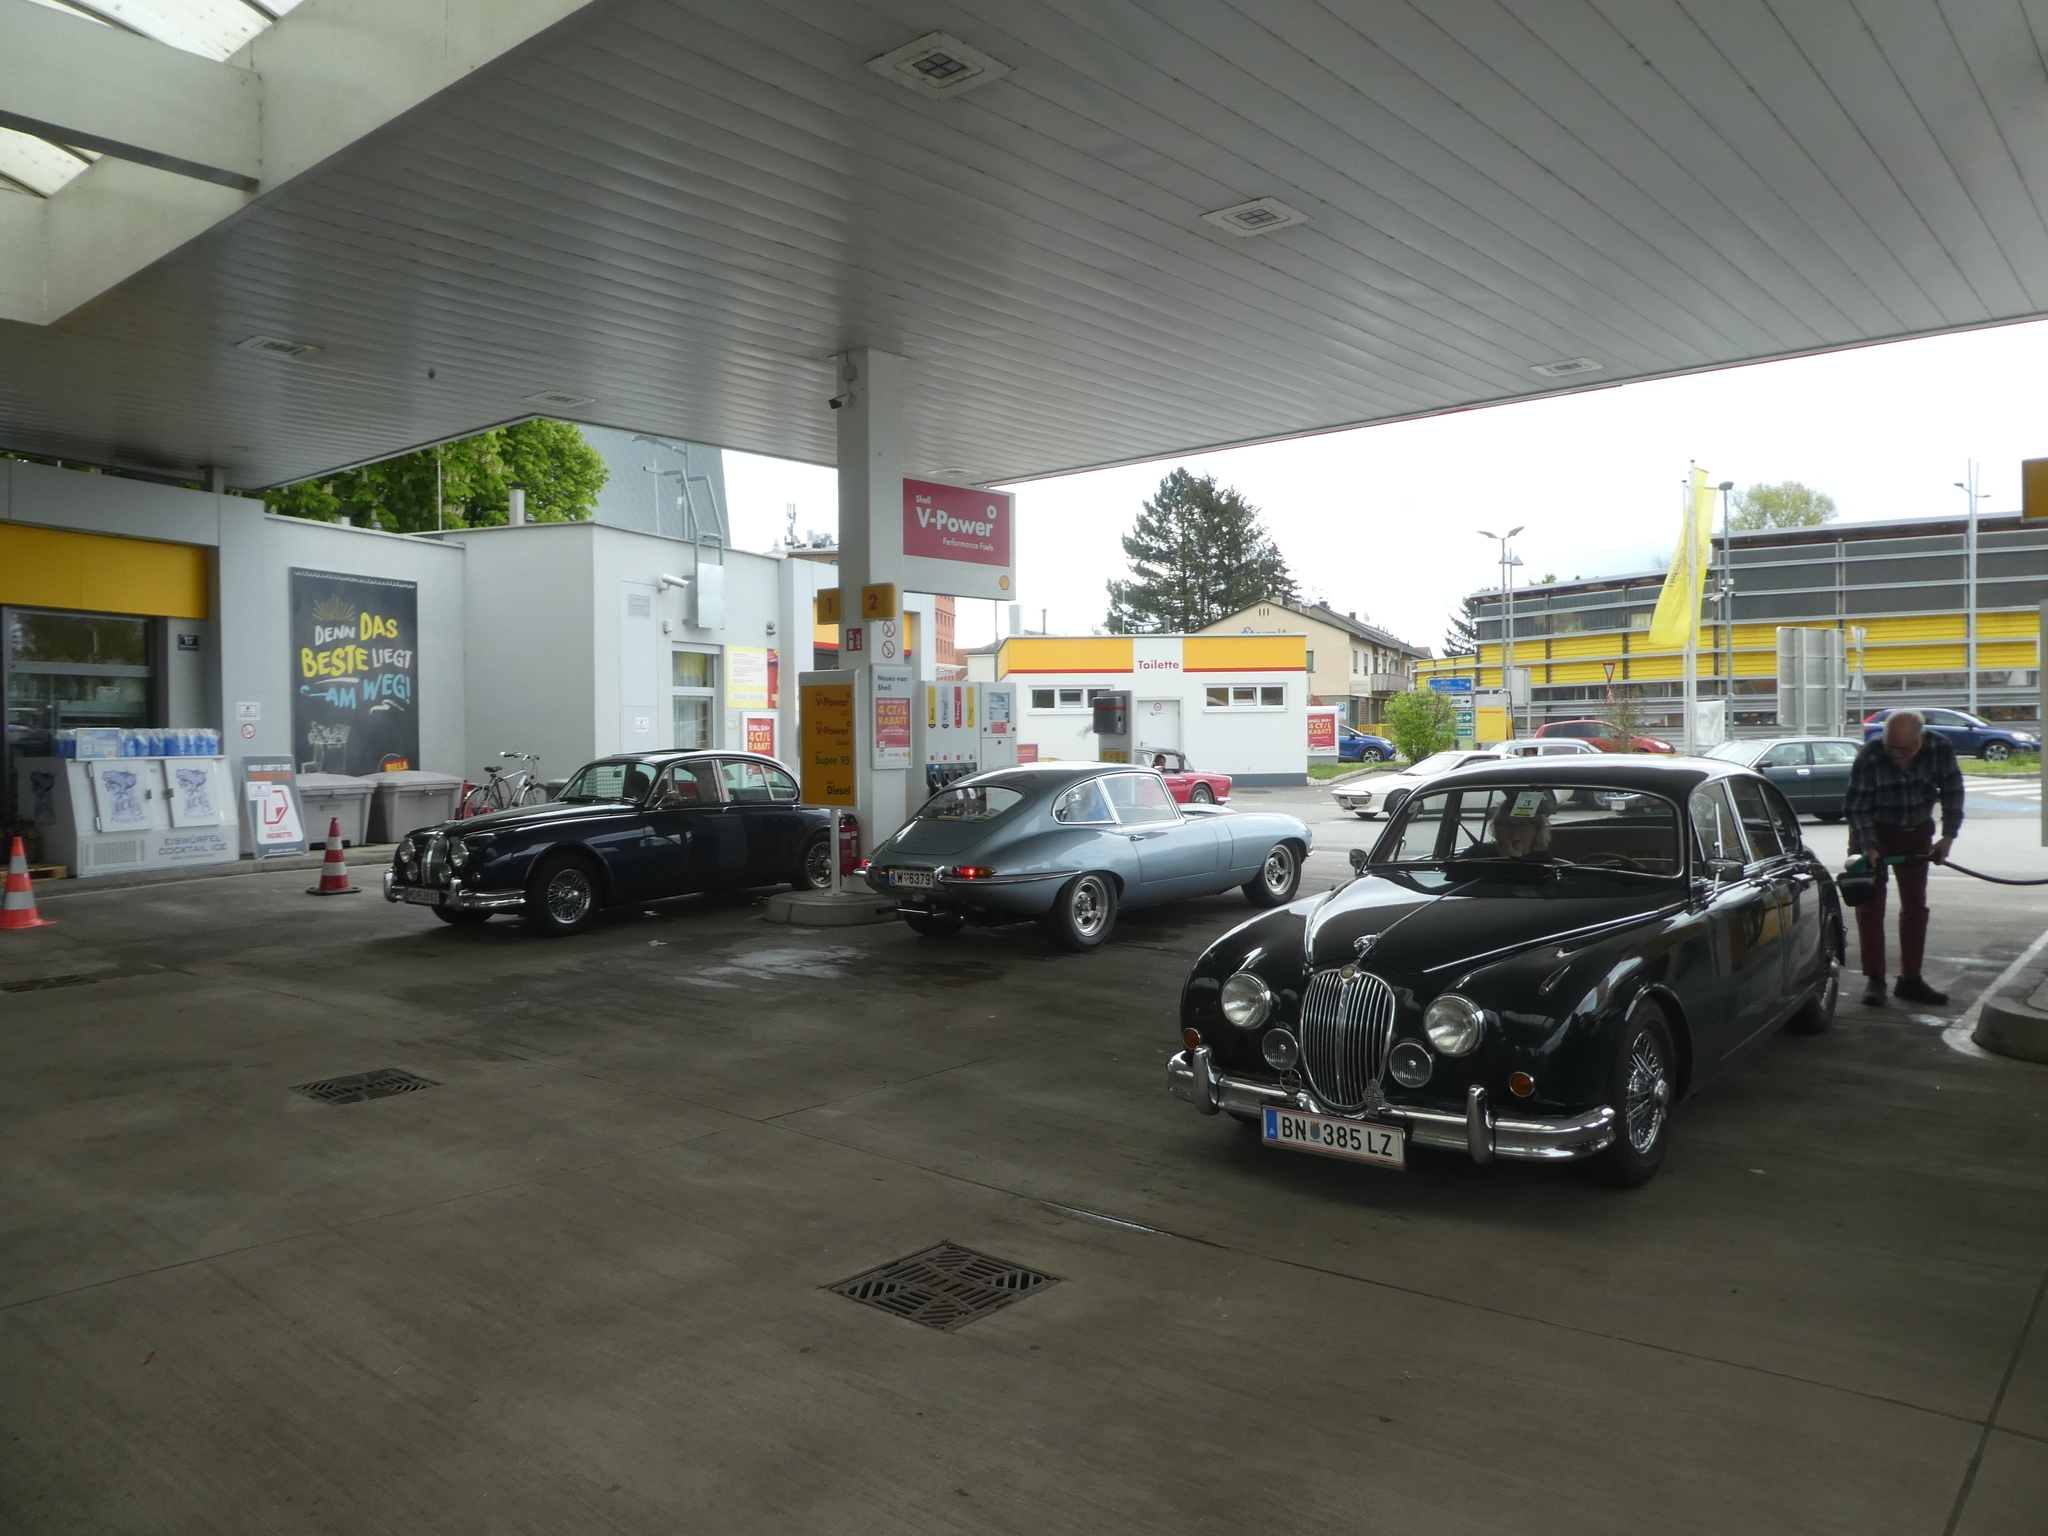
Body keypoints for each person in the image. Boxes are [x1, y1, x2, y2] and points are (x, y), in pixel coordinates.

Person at [1845, 709, 1964, 1006]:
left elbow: (1952, 791)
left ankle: (1911, 978)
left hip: (1916, 832)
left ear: (1921, 739)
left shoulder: (1940, 748)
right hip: (1873, 832)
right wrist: (1868, 847)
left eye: (1904, 748)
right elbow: (1857, 807)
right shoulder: (1871, 755)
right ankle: (1875, 979)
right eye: (1891, 747)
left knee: (1915, 906)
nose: (1896, 754)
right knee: (1870, 907)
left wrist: (1948, 837)